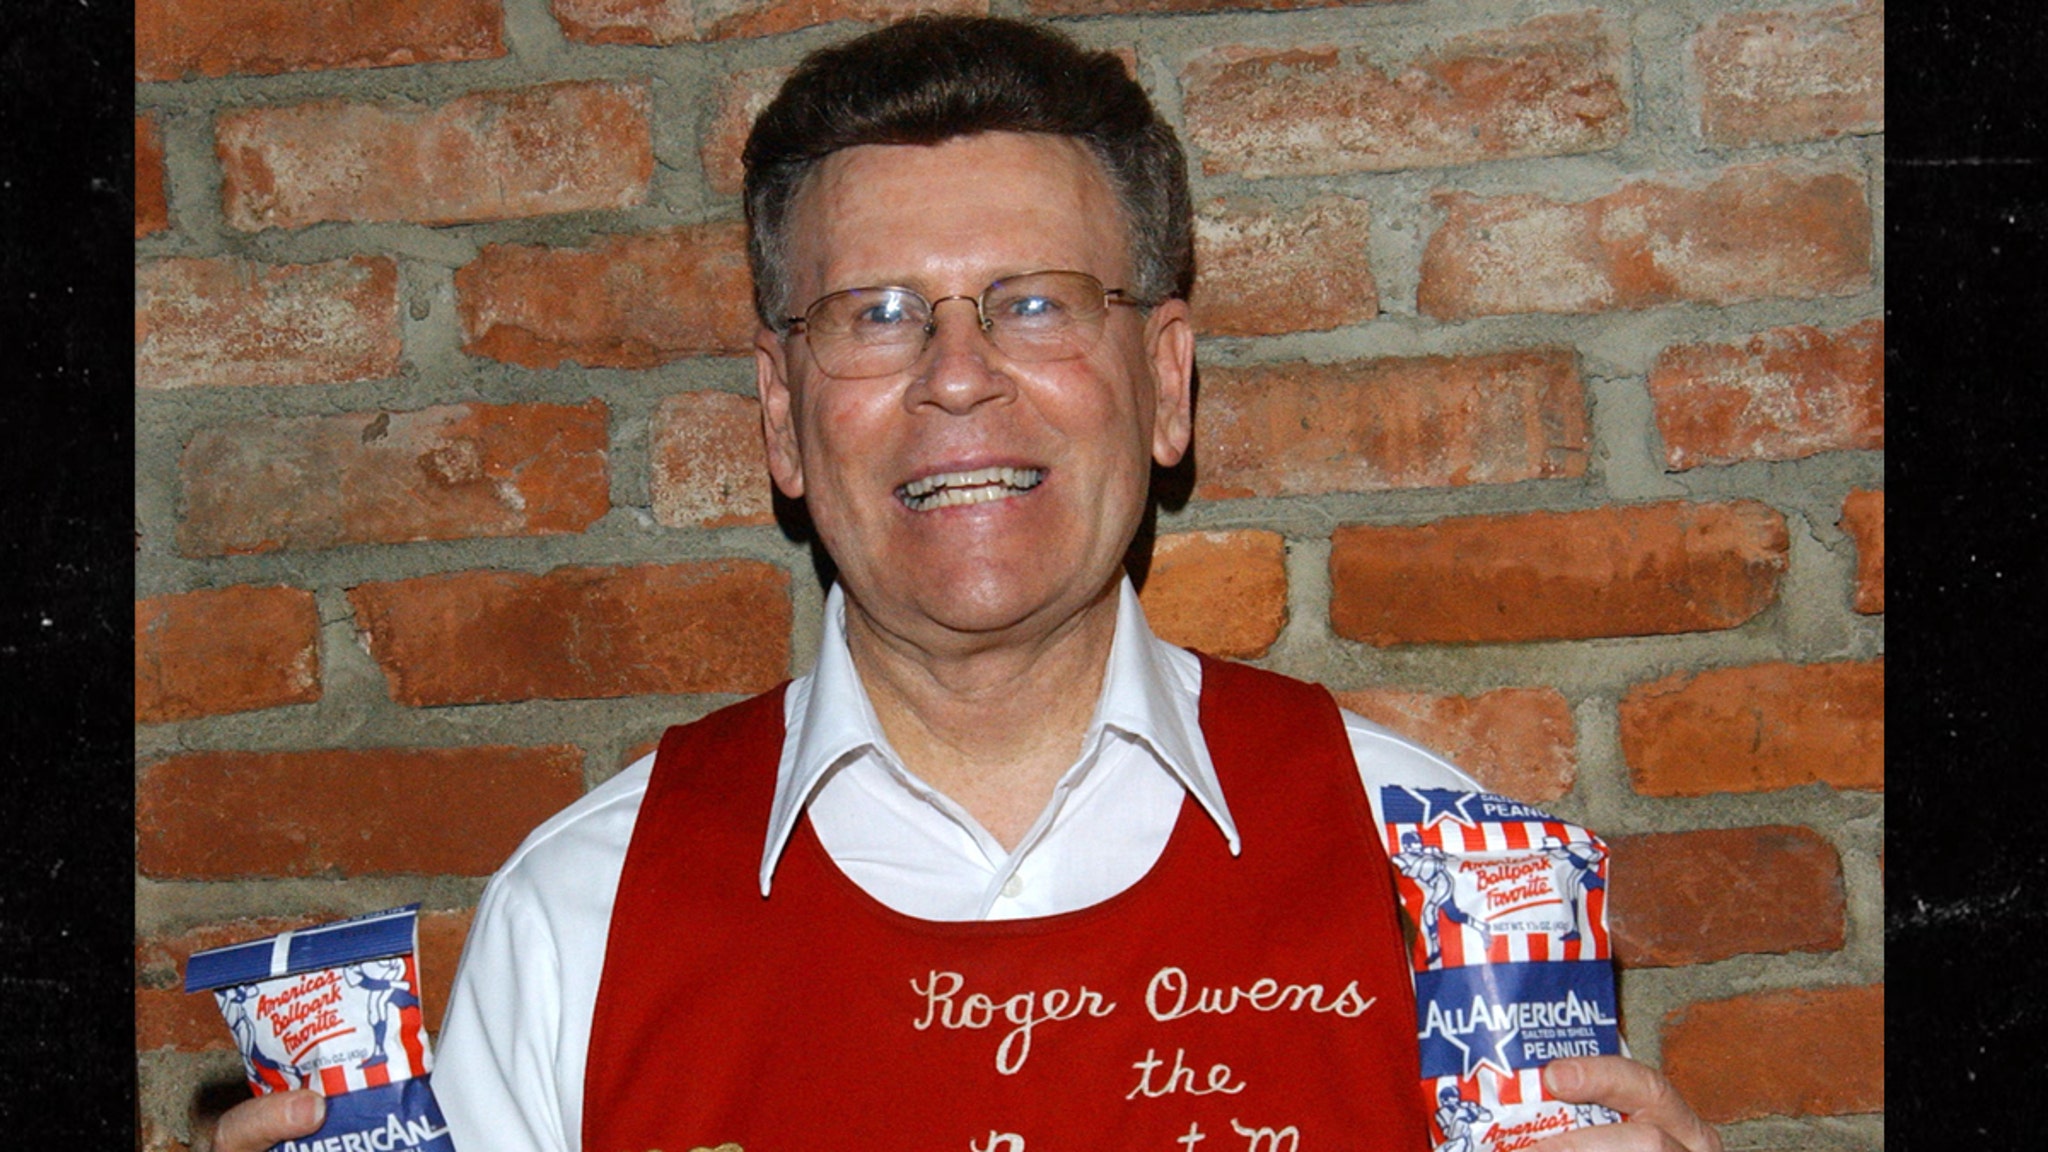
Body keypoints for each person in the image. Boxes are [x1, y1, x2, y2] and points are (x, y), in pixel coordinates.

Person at [216, 16, 1721, 1152]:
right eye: (875, 315)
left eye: (1036, 304)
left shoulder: (1437, 889)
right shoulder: (575, 922)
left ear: (1168, 381)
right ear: (781, 411)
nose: (956, 377)